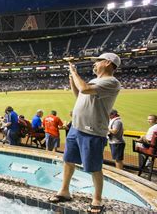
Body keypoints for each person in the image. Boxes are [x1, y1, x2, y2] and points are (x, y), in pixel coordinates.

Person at [49, 53, 121, 214]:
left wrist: (75, 73)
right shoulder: (95, 81)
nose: (94, 64)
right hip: (76, 128)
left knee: (94, 167)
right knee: (68, 160)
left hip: (92, 131)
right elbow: (80, 95)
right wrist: (71, 79)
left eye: (97, 62)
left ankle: (97, 199)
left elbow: (85, 89)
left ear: (108, 62)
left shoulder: (112, 81)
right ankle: (64, 191)